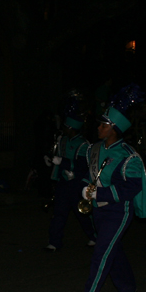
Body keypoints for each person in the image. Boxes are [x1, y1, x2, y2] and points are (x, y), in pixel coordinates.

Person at [75, 84, 146, 292]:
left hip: (119, 211)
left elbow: (132, 187)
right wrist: (84, 188)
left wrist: (101, 194)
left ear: (114, 129)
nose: (98, 128)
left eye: (103, 125)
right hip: (98, 210)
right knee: (112, 249)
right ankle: (128, 288)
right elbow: (86, 174)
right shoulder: (94, 149)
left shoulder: (129, 156)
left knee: (101, 253)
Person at [44, 98, 96, 252]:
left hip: (77, 184)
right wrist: (50, 162)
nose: (63, 129)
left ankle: (94, 236)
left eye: (66, 127)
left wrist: (64, 163)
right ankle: (54, 242)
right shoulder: (62, 140)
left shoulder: (83, 144)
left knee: (82, 214)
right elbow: (58, 157)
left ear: (72, 128)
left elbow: (82, 165)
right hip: (63, 183)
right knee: (58, 213)